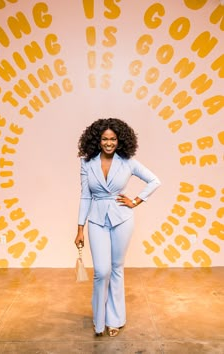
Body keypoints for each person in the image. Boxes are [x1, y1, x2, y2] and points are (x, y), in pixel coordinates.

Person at [74, 118, 161, 337]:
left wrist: (136, 200)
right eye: (105, 138)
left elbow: (154, 181)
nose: (109, 143)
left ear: (120, 140)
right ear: (97, 140)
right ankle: (99, 320)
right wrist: (80, 228)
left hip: (122, 219)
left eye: (113, 138)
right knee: (101, 271)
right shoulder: (87, 163)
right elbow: (85, 195)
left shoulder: (128, 162)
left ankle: (115, 319)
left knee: (116, 268)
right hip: (95, 219)